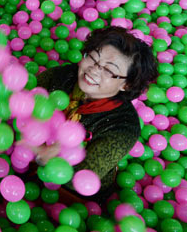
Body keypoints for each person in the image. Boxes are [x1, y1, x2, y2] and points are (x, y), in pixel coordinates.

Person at [34, 27, 158, 202]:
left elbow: (83, 176)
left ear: (126, 85)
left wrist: (41, 153)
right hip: (24, 162)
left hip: (72, 196)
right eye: (93, 57)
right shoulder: (62, 76)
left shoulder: (124, 126)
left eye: (109, 70)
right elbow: (26, 99)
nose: (94, 70)